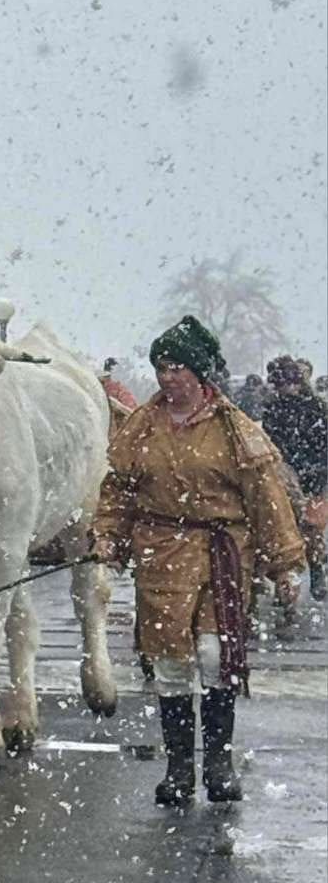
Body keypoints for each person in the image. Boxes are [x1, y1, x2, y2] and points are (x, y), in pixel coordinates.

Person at [94, 316, 304, 805]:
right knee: (169, 663)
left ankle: (218, 763)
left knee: (214, 656)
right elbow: (118, 491)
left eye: (177, 368)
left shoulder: (235, 430)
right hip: (161, 555)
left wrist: (284, 564)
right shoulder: (141, 426)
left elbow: (267, 499)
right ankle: (178, 770)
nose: (168, 377)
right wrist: (107, 539)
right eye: (161, 368)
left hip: (221, 557)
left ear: (200, 373)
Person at [263, 355, 328, 601]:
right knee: (284, 528)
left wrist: (317, 469)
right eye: (278, 385)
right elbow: (270, 442)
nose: (282, 389)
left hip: (314, 476)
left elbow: (324, 443)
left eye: (285, 384)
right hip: (285, 475)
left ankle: (316, 568)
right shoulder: (273, 407)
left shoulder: (317, 407)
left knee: (311, 528)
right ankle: (286, 580)